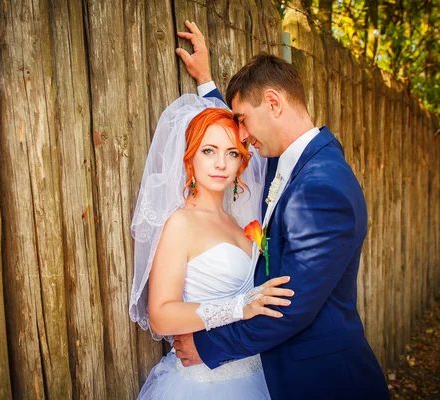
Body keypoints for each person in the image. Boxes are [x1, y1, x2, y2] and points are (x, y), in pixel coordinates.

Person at [172, 21, 390, 400]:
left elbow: (291, 307)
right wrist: (207, 84)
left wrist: (206, 348)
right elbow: (239, 143)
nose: (241, 137)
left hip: (325, 383)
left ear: (273, 103)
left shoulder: (321, 188)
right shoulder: (291, 162)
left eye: (241, 120)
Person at [130, 95, 295, 399]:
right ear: (190, 156)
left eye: (232, 153)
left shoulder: (240, 224)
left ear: (242, 161)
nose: (221, 163)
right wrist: (239, 307)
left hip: (257, 373)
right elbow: (161, 315)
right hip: (204, 383)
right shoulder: (181, 222)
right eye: (209, 151)